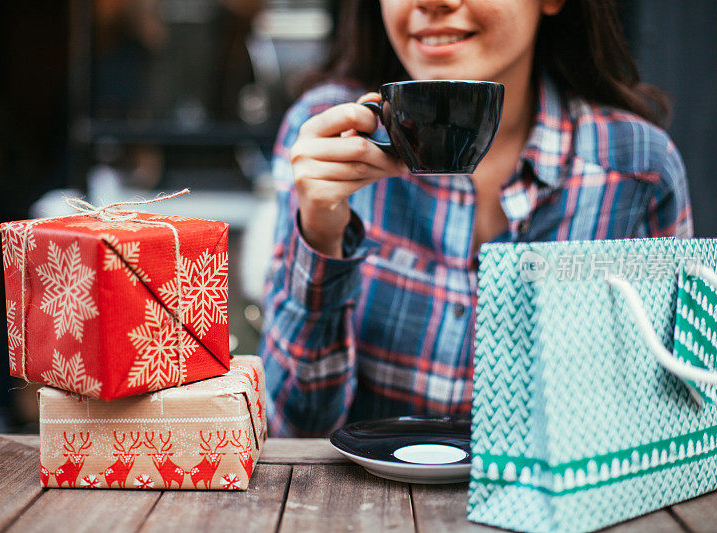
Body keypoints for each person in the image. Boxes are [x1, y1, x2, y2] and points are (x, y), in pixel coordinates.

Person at [259, 0, 692, 437]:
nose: (432, 2)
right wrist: (319, 236)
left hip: (556, 502)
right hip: (362, 502)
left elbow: (669, 422)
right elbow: (289, 431)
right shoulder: (326, 138)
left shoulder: (637, 171)